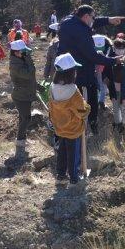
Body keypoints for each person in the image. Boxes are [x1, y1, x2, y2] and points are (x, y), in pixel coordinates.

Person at [57, 5, 123, 135]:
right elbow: (92, 55)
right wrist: (114, 60)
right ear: (86, 17)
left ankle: (72, 130)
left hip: (66, 70)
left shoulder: (70, 21)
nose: (94, 20)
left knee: (70, 102)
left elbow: (92, 22)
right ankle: (89, 130)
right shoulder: (81, 32)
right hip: (81, 73)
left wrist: (108, 20)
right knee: (89, 101)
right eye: (93, 17)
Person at [48, 53, 90, 186]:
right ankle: (74, 178)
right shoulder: (73, 90)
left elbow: (51, 108)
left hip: (59, 127)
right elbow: (81, 112)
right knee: (73, 154)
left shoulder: (52, 87)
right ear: (70, 72)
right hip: (73, 128)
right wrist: (87, 106)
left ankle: (60, 176)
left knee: (62, 152)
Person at [9, 39, 37, 152]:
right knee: (26, 118)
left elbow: (30, 79)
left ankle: (22, 139)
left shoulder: (21, 61)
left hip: (26, 94)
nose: (25, 54)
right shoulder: (15, 65)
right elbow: (29, 74)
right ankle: (20, 140)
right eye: (23, 52)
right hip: (20, 96)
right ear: (16, 52)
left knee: (23, 118)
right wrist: (29, 59)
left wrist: (37, 86)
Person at [92, 34, 112, 109]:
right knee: (95, 85)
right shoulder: (89, 44)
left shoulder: (108, 45)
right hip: (93, 69)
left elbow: (108, 58)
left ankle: (101, 102)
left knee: (102, 86)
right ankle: (96, 102)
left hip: (103, 69)